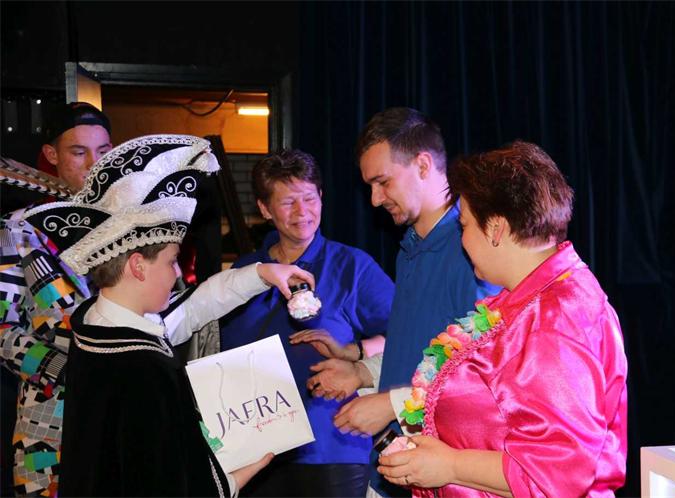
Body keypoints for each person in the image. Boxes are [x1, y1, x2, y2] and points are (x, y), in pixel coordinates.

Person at [22, 134, 314, 497]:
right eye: (172, 261)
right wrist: (234, 479)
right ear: (138, 266)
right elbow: (166, 483)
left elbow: (191, 307)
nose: (177, 273)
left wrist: (262, 273)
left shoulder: (96, 325)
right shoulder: (143, 366)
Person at [377, 141, 628, 497]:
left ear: (495, 228)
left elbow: (558, 470)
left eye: (464, 225)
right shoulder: (532, 299)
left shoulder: (555, 318)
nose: (462, 240)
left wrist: (450, 465)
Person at [296, 107, 499, 498]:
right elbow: (427, 351)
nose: (374, 200)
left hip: (447, 478)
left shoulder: (472, 250)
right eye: (370, 186)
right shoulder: (410, 248)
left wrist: (391, 405)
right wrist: (362, 372)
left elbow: (482, 377)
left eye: (383, 182)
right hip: (395, 470)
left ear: (423, 165)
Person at [219, 149, 395, 497]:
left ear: (322, 198)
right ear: (265, 209)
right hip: (255, 449)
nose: (302, 213)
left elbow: (406, 335)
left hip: (331, 446)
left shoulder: (351, 266)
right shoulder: (244, 274)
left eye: (310, 199)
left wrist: (353, 352)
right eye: (288, 203)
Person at [0, 102, 112, 496]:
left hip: (125, 406)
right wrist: (65, 368)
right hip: (48, 420)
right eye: (79, 152)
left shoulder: (131, 224)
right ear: (51, 155)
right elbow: (2, 330)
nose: (94, 164)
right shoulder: (18, 230)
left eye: (103, 151)